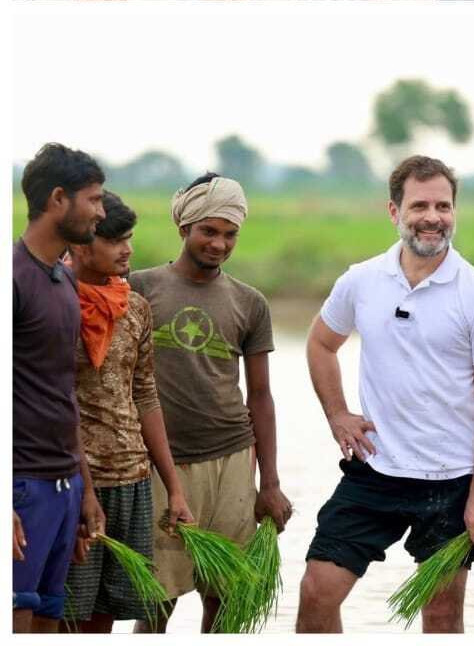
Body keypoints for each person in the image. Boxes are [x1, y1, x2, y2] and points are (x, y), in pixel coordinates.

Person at [297, 155, 474, 633]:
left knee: (440, 615)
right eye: (420, 205)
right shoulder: (361, 281)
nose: (433, 217)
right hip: (375, 470)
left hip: (453, 479)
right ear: (394, 212)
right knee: (317, 591)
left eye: (443, 205)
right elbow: (320, 343)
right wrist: (337, 413)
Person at [130, 173, 291, 633]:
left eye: (230, 234)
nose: (219, 244)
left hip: (232, 459)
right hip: (161, 463)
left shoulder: (250, 303)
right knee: (155, 601)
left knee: (223, 598)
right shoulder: (139, 288)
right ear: (184, 228)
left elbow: (260, 396)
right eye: (209, 231)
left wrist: (270, 483)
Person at [62, 192, 195, 632]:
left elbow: (146, 397)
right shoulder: (52, 305)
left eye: (129, 239)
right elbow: (50, 403)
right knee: (64, 613)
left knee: (106, 616)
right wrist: (82, 489)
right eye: (116, 240)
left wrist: (173, 488)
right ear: (81, 245)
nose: (128, 250)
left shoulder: (134, 306)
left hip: (132, 480)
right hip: (76, 481)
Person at [12, 144, 107, 634]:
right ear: (57, 199)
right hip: (20, 486)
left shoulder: (63, 281)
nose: (101, 211)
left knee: (49, 618)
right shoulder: (12, 278)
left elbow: (63, 391)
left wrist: (84, 489)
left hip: (63, 488)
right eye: (93, 199)